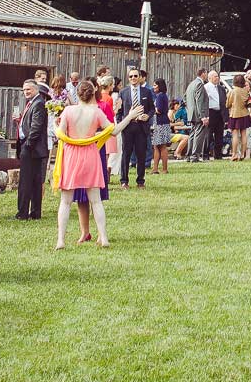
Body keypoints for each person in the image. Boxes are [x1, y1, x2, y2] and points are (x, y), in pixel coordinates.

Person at [54, 85, 122, 248]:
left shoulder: (69, 111)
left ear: (77, 94)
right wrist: (130, 116)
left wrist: (55, 126)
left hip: (71, 156)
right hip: (90, 155)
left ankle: (61, 240)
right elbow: (113, 131)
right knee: (96, 201)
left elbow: (60, 134)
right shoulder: (97, 111)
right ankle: (104, 238)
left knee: (65, 202)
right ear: (93, 94)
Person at [11, 78, 50, 219]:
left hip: (32, 148)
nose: (26, 92)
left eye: (28, 89)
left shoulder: (38, 103)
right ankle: (34, 212)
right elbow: (30, 124)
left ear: (36, 89)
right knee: (34, 182)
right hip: (31, 147)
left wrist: (27, 145)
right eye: (24, 90)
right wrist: (20, 121)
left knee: (26, 182)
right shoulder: (32, 103)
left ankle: (22, 213)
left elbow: (36, 127)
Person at [119, 68, 157, 183]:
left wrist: (148, 116)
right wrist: (121, 124)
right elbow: (119, 112)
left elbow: (152, 109)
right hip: (128, 127)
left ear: (140, 77)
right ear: (128, 78)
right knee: (126, 155)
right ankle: (124, 181)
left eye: (135, 76)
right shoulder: (123, 92)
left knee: (141, 155)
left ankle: (140, 180)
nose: (133, 78)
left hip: (141, 127)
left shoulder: (147, 91)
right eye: (131, 76)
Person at [226, 73, 251, 162]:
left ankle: (234, 154)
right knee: (244, 134)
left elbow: (227, 104)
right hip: (245, 114)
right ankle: (242, 154)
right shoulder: (245, 91)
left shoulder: (232, 91)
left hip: (235, 114)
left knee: (235, 135)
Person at [184, 68, 209, 161]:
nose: (206, 75)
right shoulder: (199, 84)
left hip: (191, 113)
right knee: (198, 134)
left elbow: (185, 98)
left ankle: (188, 155)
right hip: (198, 114)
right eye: (206, 73)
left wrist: (190, 109)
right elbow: (200, 101)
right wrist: (203, 116)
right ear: (203, 74)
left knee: (192, 134)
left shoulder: (191, 84)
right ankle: (195, 156)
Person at [150, 77, 173, 173]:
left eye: (155, 85)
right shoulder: (164, 95)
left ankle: (161, 169)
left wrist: (151, 107)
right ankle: (158, 168)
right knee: (159, 146)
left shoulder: (159, 96)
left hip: (160, 123)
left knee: (159, 146)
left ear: (159, 86)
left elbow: (158, 110)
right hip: (164, 122)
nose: (153, 87)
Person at [204, 68, 228, 159]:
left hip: (220, 113)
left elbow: (224, 101)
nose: (217, 78)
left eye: (217, 76)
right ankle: (205, 154)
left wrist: (225, 116)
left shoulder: (221, 88)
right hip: (211, 112)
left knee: (219, 134)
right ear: (210, 78)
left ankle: (218, 154)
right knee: (209, 134)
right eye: (215, 76)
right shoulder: (206, 87)